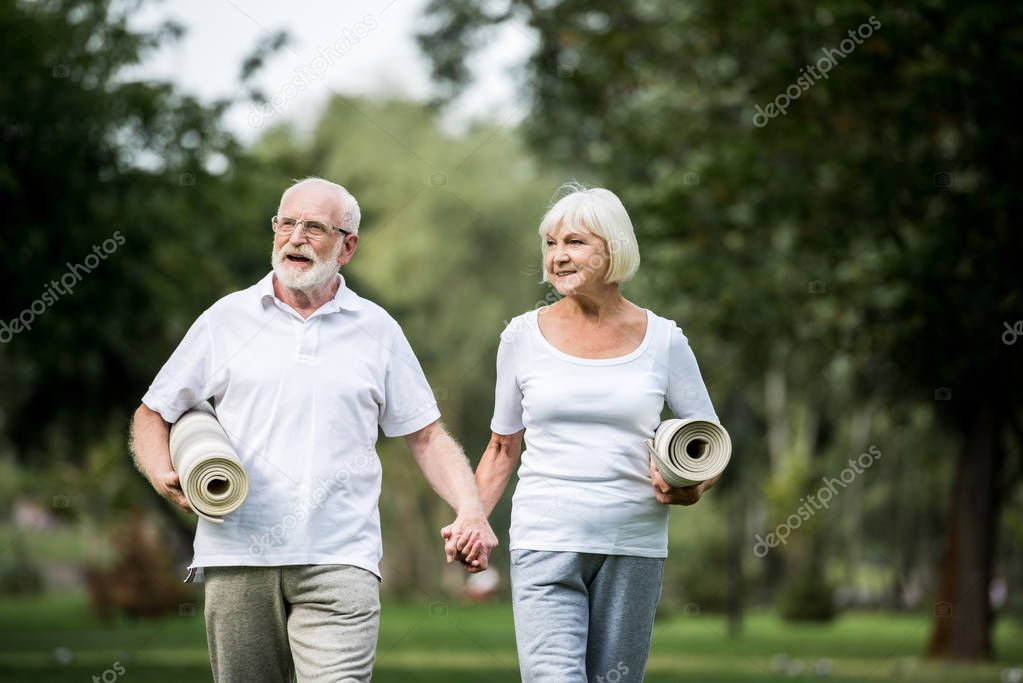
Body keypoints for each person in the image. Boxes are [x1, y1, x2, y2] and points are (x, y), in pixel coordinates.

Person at [129, 177, 497, 683]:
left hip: (340, 559)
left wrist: (471, 508)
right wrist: (160, 472)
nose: (295, 237)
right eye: (286, 223)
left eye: (314, 227)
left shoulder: (377, 329)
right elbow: (153, 412)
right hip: (237, 554)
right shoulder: (226, 319)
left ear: (348, 246)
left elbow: (426, 436)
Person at [457, 184, 722, 682]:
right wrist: (472, 517)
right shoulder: (521, 336)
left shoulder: (664, 340)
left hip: (633, 542)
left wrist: (691, 487)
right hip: (544, 536)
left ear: (613, 247)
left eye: (574, 242)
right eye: (550, 244)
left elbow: (709, 444)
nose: (557, 256)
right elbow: (502, 445)